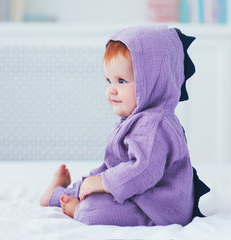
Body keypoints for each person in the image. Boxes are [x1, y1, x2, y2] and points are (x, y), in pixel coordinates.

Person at [40, 24, 210, 226]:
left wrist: (102, 182)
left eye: (121, 81)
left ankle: (77, 208)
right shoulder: (137, 120)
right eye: (108, 81)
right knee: (88, 186)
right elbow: (114, 165)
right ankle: (55, 194)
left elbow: (143, 170)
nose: (112, 90)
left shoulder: (155, 125)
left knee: (92, 211)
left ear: (154, 82)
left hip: (158, 208)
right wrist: (95, 180)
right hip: (135, 192)